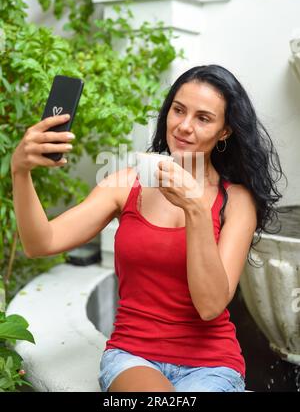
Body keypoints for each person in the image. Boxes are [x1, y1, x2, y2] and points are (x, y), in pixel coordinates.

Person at [11, 64, 286, 392]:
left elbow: (210, 305)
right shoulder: (126, 185)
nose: (184, 126)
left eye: (203, 118)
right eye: (178, 110)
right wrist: (20, 171)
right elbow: (41, 242)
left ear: (224, 131)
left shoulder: (236, 201)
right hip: (133, 356)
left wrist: (196, 211)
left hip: (212, 363)